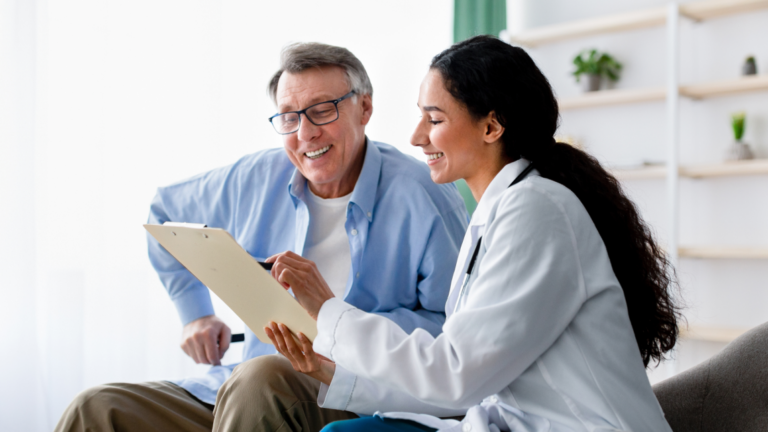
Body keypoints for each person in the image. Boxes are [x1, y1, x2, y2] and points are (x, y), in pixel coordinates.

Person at [265, 35, 681, 432]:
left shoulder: (537, 210)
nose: (416, 136)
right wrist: (333, 374)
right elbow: (465, 386)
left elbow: (455, 375)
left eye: (435, 118)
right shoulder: (498, 212)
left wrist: (328, 310)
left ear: (491, 127)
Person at [55, 42, 468, 432]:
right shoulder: (254, 178)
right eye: (289, 117)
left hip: (351, 388)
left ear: (365, 109)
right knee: (96, 410)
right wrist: (195, 312)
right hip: (239, 388)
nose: (305, 133)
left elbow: (453, 334)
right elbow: (164, 212)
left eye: (322, 110)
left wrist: (334, 323)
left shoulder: (425, 196)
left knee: (262, 379)